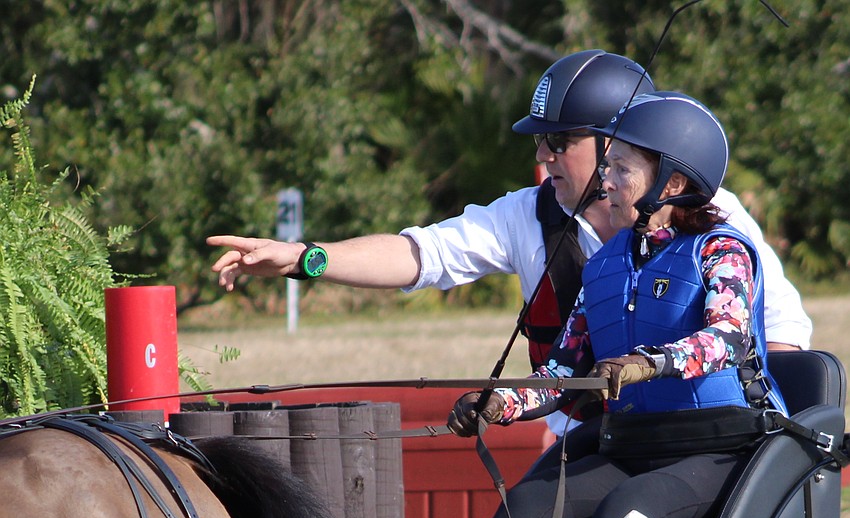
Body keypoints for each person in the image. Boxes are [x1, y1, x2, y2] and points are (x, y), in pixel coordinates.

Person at [207, 50, 812, 393]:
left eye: (559, 142)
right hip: (592, 438)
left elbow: (778, 339)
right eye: (541, 143)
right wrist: (305, 257)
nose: (543, 157)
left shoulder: (706, 215)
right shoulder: (527, 214)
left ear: (617, 144)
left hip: (700, 436)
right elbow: (423, 255)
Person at [446, 91, 789, 518]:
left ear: (671, 183)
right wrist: (499, 403)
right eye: (607, 167)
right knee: (525, 504)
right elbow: (562, 374)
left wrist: (651, 363)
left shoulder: (720, 251)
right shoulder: (605, 267)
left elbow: (728, 339)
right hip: (631, 444)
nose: (605, 180)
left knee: (629, 513)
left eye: (621, 170)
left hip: (722, 447)